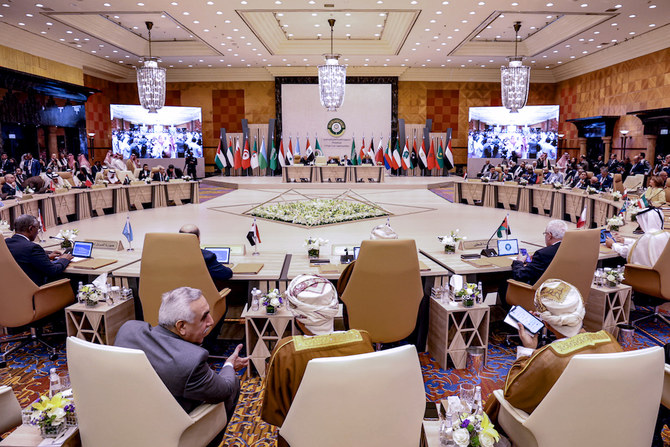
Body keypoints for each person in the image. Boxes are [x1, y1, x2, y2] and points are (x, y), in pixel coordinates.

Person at [484, 279, 622, 423]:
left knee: (496, 399)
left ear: (547, 324)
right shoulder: (610, 341)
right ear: (581, 313)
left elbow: (513, 394)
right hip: (607, 419)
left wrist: (528, 350)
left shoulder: (547, 358)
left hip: (560, 427)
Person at [261, 274, 374, 444]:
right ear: (334, 306)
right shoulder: (362, 341)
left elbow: (276, 413)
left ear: (297, 315)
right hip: (356, 433)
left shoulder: (286, 352)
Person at [115, 287, 247, 420]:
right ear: (181, 326)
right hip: (167, 428)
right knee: (233, 383)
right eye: (204, 317)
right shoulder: (192, 361)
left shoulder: (128, 329)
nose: (211, 321)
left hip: (122, 416)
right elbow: (226, 389)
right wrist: (229, 365)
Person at [5, 214, 73, 286]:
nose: (37, 232)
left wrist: (46, 257)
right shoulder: (32, 248)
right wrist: (64, 259)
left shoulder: (6, 243)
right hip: (36, 290)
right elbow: (53, 270)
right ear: (31, 228)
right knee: (75, 278)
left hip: (14, 288)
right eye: (37, 228)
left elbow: (23, 259)